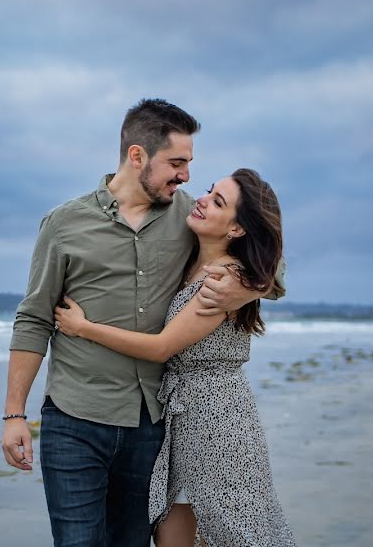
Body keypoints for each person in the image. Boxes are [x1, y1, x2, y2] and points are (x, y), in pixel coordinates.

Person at [2, 99, 283, 546]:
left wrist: (243, 290)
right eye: (176, 162)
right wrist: (14, 413)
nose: (186, 175)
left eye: (189, 163)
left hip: (151, 426)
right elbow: (34, 318)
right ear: (138, 157)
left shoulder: (189, 216)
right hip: (76, 418)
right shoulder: (65, 225)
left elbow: (266, 256)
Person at [53, 168, 295, 547]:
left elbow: (163, 346)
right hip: (182, 418)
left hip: (218, 422)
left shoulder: (222, 280)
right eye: (209, 192)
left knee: (233, 531)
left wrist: (84, 328)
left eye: (218, 202)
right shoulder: (194, 258)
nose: (202, 199)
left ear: (236, 230)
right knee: (172, 532)